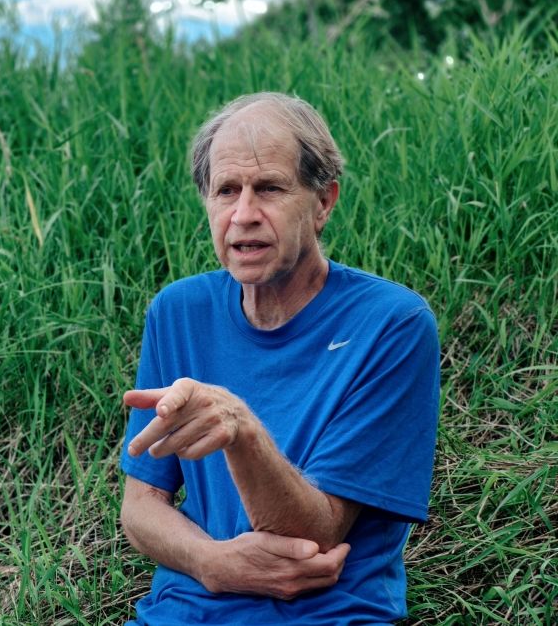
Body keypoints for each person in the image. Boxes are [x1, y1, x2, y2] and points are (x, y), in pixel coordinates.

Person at [118, 92, 440, 625]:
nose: (243, 215)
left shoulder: (391, 325)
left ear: (323, 202)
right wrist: (211, 563)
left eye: (268, 188)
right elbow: (140, 505)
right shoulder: (178, 312)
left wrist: (240, 430)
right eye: (226, 191)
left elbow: (315, 533)